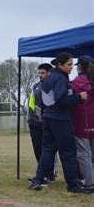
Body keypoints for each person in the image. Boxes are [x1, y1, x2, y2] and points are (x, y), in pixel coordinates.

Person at [29, 52, 91, 193]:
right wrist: (79, 97)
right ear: (60, 65)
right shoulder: (61, 79)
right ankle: (73, 185)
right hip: (60, 119)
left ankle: (38, 179)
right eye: (69, 64)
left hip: (48, 119)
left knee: (47, 151)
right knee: (68, 152)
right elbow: (61, 99)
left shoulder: (49, 79)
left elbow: (46, 101)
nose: (71, 67)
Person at [28, 63, 57, 182]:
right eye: (39, 73)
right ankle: (42, 174)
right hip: (35, 123)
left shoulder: (55, 85)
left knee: (48, 149)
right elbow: (31, 103)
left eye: (43, 73)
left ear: (49, 73)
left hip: (50, 123)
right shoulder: (35, 86)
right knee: (37, 148)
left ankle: (50, 174)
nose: (40, 75)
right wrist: (31, 117)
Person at [71, 55, 94, 187]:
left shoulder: (76, 83)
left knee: (83, 153)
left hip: (81, 122)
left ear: (79, 66)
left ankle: (89, 181)